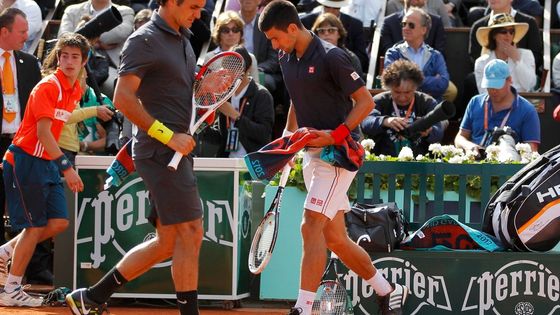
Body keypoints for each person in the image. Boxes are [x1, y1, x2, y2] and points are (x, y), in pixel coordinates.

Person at [64, 0, 226, 313]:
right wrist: (168, 136)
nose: (199, 14)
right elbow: (122, 98)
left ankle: (92, 297)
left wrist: (203, 86)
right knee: (191, 232)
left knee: (167, 241)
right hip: (160, 152)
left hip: (177, 149)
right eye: (193, 6)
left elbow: (172, 87)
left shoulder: (182, 39)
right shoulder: (144, 40)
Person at [258, 1, 408, 314]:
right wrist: (289, 142)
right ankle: (387, 289)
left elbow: (366, 103)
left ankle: (303, 307)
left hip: (340, 154)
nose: (274, 46)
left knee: (309, 225)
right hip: (312, 156)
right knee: (336, 239)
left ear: (292, 28)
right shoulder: (287, 59)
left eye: (275, 38)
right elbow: (298, 103)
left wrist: (336, 134)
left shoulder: (332, 56)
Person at [0, 32, 88, 307]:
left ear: (84, 61)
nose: (69, 61)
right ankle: (11, 289)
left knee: (58, 222)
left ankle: (4, 252)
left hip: (45, 162)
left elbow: (61, 121)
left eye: (75, 57)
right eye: (64, 56)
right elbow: (43, 133)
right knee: (34, 227)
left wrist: (95, 111)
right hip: (25, 160)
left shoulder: (76, 89)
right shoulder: (48, 86)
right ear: (58, 58)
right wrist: (66, 167)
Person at [0, 7, 42, 283]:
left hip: (21, 146)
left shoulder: (30, 62)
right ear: (4, 32)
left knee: (27, 210)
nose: (27, 37)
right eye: (22, 31)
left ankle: (27, 271)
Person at [455, 59, 540, 155]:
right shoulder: (475, 102)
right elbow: (460, 137)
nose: (493, 90)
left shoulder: (527, 110)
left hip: (509, 167)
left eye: (497, 85)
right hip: (475, 164)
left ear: (510, 80)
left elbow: (532, 151)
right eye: (489, 85)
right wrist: (469, 146)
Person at [361, 59, 444, 157]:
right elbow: (365, 123)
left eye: (407, 92)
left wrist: (428, 132)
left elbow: (439, 132)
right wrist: (385, 121)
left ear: (416, 87)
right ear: (388, 87)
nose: (402, 97)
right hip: (384, 161)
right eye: (397, 92)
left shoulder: (427, 102)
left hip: (419, 163)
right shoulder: (380, 100)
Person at [385, 7, 455, 103]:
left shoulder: (435, 56)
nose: (405, 28)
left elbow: (443, 83)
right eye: (403, 24)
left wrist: (408, 80)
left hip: (430, 109)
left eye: (411, 25)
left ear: (423, 30)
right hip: (400, 108)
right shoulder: (393, 53)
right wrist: (432, 80)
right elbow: (393, 80)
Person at [215, 45, 274, 157]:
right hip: (226, 162)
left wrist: (235, 116)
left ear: (248, 67)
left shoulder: (262, 95)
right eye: (228, 65)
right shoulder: (224, 95)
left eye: (237, 66)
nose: (231, 71)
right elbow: (218, 136)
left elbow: (264, 134)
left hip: (253, 163)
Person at [468, 0, 542, 71]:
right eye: (503, 32)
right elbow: (475, 58)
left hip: (519, 78)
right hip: (489, 76)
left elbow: (536, 56)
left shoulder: (529, 23)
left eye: (511, 31)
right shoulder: (478, 26)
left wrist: (517, 61)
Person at [474, 13, 535, 94]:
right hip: (494, 104)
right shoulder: (481, 62)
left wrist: (517, 59)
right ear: (494, 35)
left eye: (511, 31)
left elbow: (529, 85)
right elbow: (484, 92)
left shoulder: (526, 54)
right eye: (503, 31)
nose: (508, 35)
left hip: (521, 102)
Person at [300, 0, 369, 71]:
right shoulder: (305, 22)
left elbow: (362, 58)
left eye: (336, 7)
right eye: (321, 31)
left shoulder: (355, 25)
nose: (331, 10)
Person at [205, 11, 259, 83]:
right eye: (226, 30)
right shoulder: (209, 58)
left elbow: (255, 86)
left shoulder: (250, 58)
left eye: (235, 30)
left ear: (241, 33)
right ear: (219, 34)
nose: (231, 33)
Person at [381, 0, 447, 56]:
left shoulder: (436, 22)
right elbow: (388, 54)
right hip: (399, 69)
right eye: (404, 24)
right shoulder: (389, 22)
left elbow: (439, 53)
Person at [311, 12, 363, 79]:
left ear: (339, 34)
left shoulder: (350, 59)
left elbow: (357, 85)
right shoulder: (309, 57)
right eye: (321, 31)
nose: (326, 34)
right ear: (317, 35)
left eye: (331, 30)